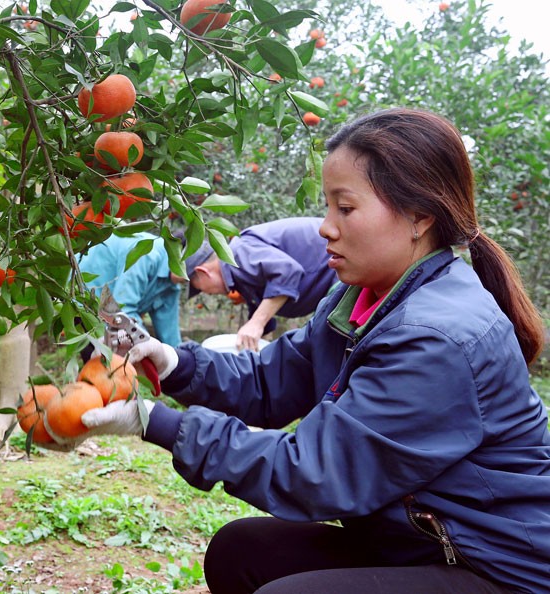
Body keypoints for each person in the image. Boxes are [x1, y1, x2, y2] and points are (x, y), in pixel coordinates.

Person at [50, 108, 550, 593]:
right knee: (240, 551)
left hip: (492, 563)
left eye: (345, 208)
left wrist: (154, 422)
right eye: (329, 206)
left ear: (419, 217)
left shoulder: (438, 336)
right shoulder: (360, 299)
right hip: (413, 537)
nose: (325, 227)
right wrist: (177, 362)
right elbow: (273, 380)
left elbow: (318, 471)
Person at [186, 217, 337, 351]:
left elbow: (287, 272)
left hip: (336, 262)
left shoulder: (239, 252)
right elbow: (262, 321)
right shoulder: (240, 278)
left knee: (330, 344)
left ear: (203, 272)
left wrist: (256, 323)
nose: (207, 293)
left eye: (200, 288)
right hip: (331, 274)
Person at [78, 231, 185, 347]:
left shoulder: (171, 284)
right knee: (100, 355)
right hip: (83, 296)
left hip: (108, 309)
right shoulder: (147, 255)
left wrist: (177, 359)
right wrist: (149, 347)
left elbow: (169, 333)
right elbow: (123, 311)